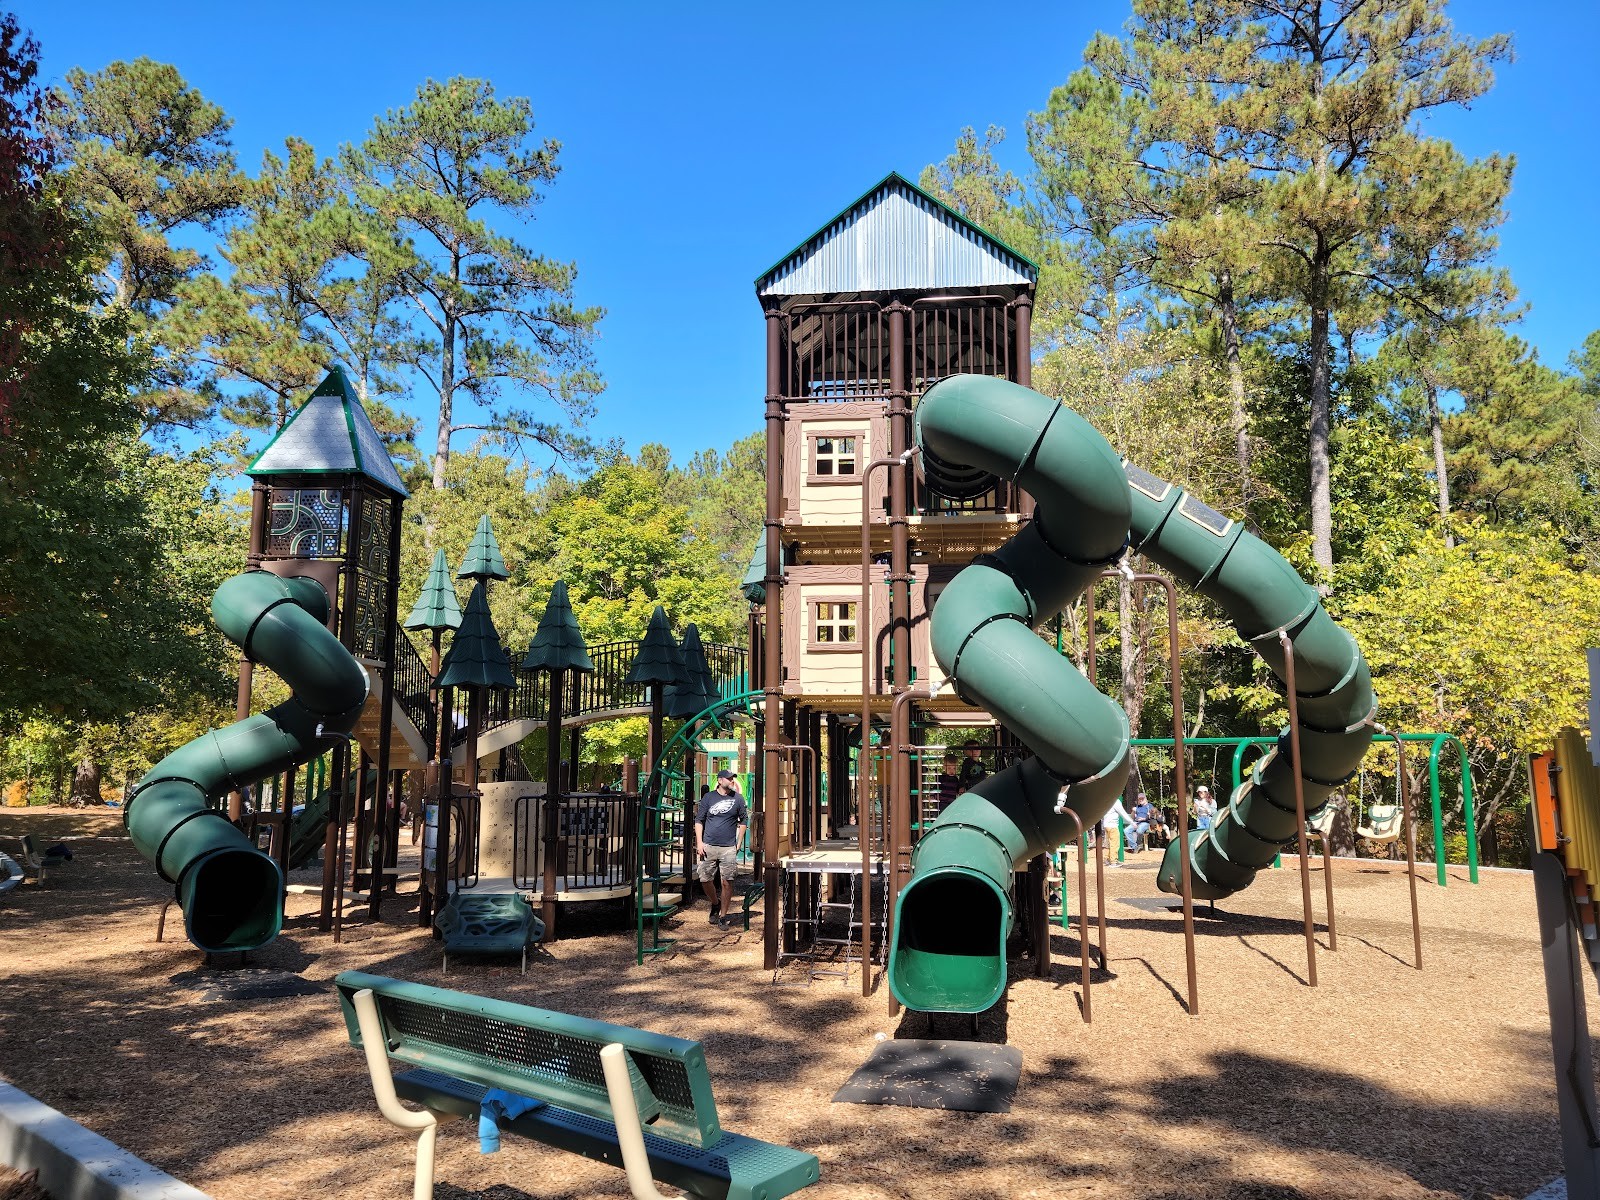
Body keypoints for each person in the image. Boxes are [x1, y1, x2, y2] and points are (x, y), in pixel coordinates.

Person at [695, 769, 747, 928]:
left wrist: (739, 842)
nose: (731, 781)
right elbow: (699, 820)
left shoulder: (737, 798)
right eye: (728, 778)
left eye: (732, 778)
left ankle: (723, 916)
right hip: (708, 845)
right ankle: (715, 903)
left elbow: (744, 820)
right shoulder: (709, 797)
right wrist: (699, 842)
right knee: (705, 879)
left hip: (728, 847)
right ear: (719, 780)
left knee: (727, 881)